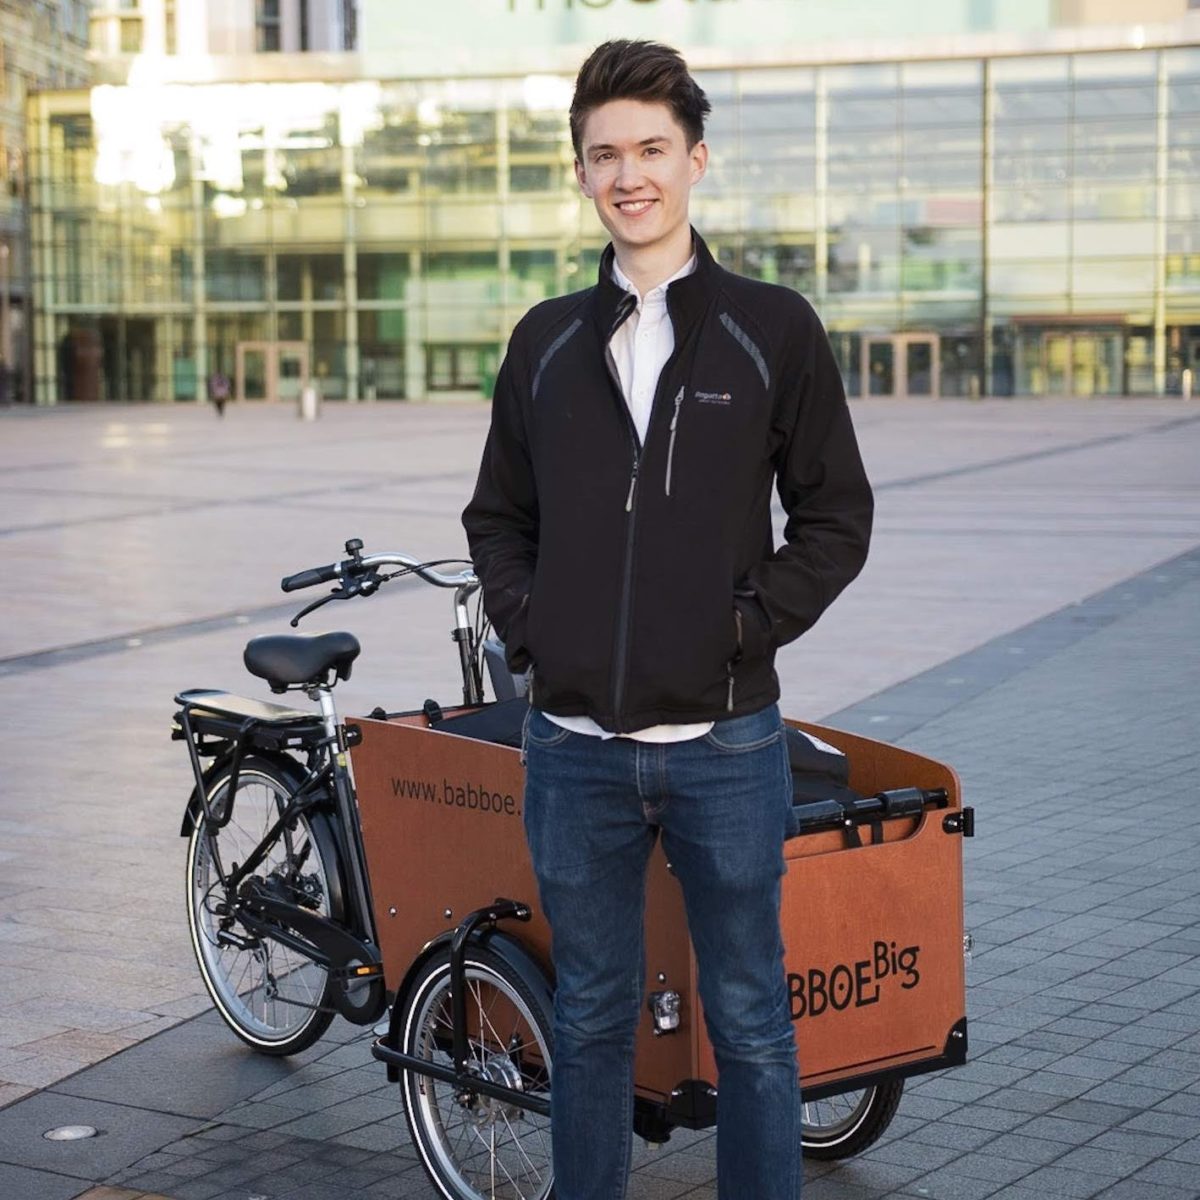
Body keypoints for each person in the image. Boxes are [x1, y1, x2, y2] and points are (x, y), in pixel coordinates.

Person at [462, 39, 873, 1200]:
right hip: (574, 752)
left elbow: (836, 517)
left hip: (727, 745)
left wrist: (742, 629)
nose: (628, 173)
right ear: (582, 176)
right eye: (605, 155)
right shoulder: (544, 341)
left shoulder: (771, 328)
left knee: (749, 1019)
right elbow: (498, 515)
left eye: (650, 149)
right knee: (588, 1021)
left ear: (696, 160)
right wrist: (535, 626)